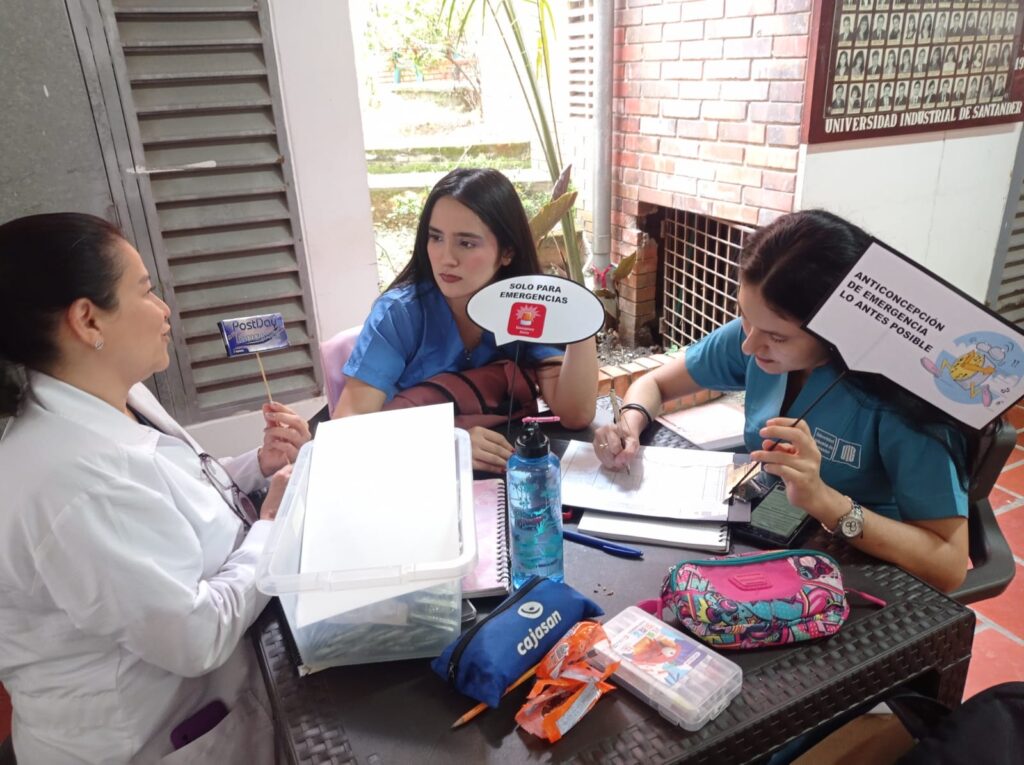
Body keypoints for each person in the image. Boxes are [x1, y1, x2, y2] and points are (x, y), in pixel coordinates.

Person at [0, 213, 312, 762]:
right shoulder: (70, 481)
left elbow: (177, 492)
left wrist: (254, 468)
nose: (164, 310)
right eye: (145, 291)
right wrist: (273, 526)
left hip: (219, 701)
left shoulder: (116, 395)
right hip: (144, 739)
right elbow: (195, 636)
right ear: (88, 321)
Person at [593, 211, 970, 593]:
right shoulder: (758, 338)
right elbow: (654, 381)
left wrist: (826, 501)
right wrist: (630, 423)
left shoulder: (901, 402)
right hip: (770, 536)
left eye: (778, 337)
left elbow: (949, 564)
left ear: (836, 329)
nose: (748, 345)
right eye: (745, 317)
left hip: (860, 573)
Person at [337, 168, 598, 472]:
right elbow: (347, 429)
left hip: (503, 476)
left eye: (466, 243)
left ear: (507, 252)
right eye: (435, 237)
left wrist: (582, 324)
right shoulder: (400, 315)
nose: (446, 257)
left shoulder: (524, 308)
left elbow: (575, 415)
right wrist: (448, 444)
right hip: (410, 476)